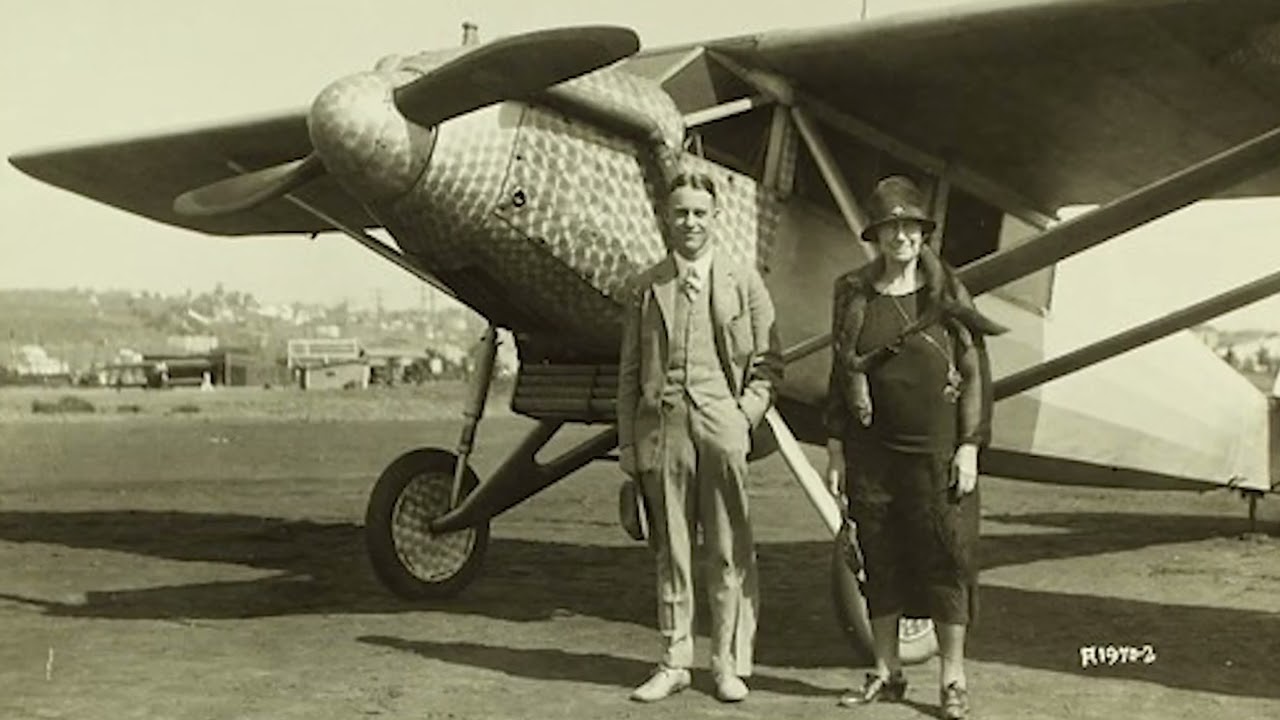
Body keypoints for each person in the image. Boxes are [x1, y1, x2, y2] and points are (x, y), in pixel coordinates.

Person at [823, 175, 1004, 720]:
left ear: (923, 234)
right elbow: (840, 373)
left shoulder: (947, 292)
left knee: (947, 559)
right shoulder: (852, 293)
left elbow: (974, 370)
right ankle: (887, 671)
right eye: (889, 227)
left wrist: (970, 445)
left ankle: (952, 680)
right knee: (879, 559)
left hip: (936, 453)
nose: (900, 236)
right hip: (871, 453)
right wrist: (836, 449)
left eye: (909, 227)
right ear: (876, 235)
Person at [616, 170, 782, 704]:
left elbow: (769, 363)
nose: (690, 222)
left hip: (722, 427)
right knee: (672, 550)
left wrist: (742, 416)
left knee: (729, 549)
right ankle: (674, 661)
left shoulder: (744, 281)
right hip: (664, 430)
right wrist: (629, 444)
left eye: (699, 213)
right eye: (681, 212)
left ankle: (727, 664)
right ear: (667, 218)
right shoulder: (647, 286)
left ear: (716, 217)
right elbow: (629, 371)